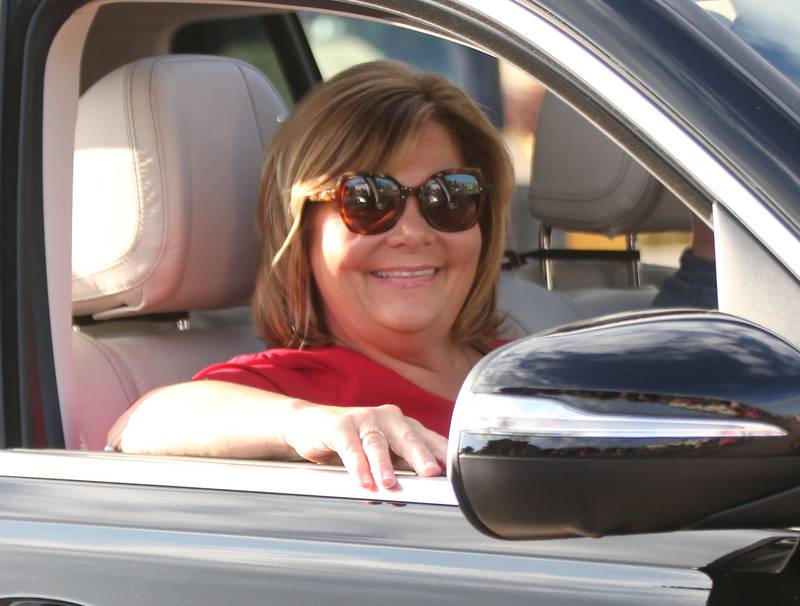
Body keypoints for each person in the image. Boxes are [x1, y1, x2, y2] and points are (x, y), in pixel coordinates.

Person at [106, 60, 514, 491]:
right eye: (367, 201)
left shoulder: (520, 363)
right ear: (300, 230)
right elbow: (140, 425)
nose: (412, 233)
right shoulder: (296, 386)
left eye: (449, 195)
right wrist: (312, 422)